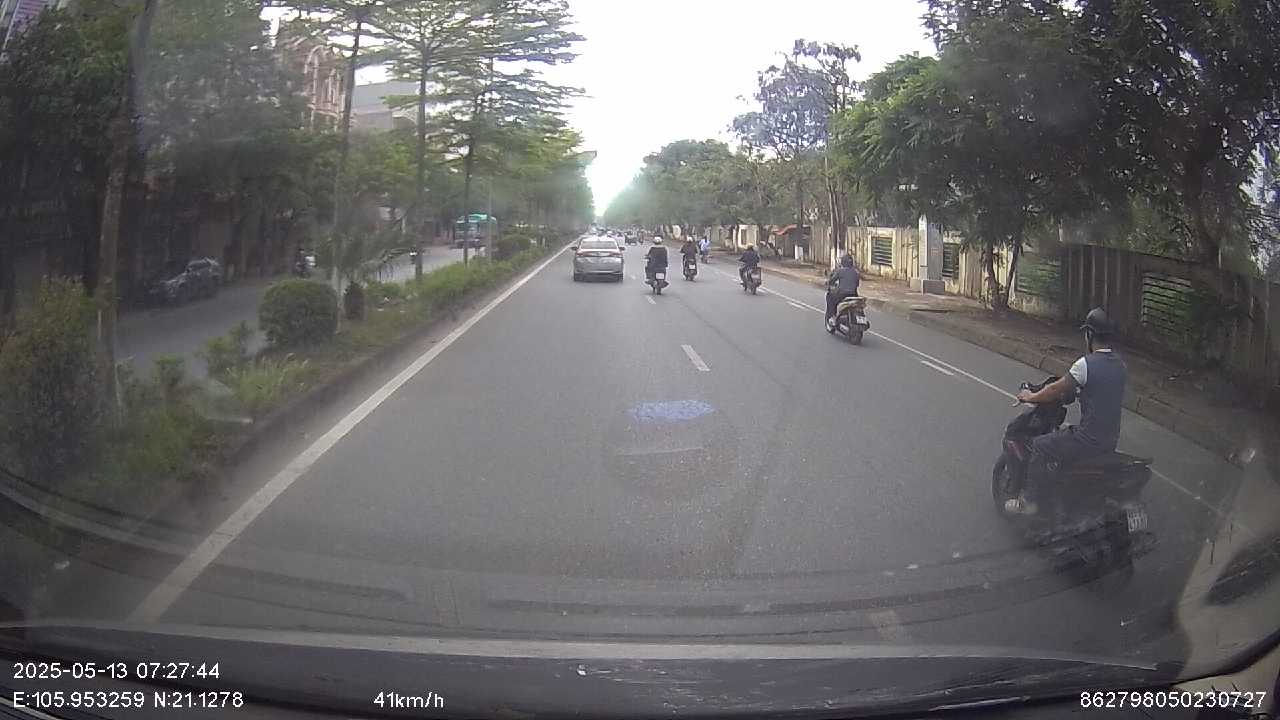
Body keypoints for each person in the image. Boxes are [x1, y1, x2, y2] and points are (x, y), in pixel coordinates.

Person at [1007, 308, 1127, 515]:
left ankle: (1030, 502)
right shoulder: (1120, 365)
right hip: (1110, 440)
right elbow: (1099, 390)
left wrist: (1030, 397)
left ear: (1089, 335)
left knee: (1041, 445)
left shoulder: (1085, 364)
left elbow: (1055, 389)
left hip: (1087, 440)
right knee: (1064, 433)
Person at [825, 254, 861, 322]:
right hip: (854, 295)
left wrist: (827, 282)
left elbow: (832, 280)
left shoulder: (840, 271)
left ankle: (832, 316)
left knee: (829, 296)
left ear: (843, 262)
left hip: (842, 295)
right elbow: (857, 284)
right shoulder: (856, 272)